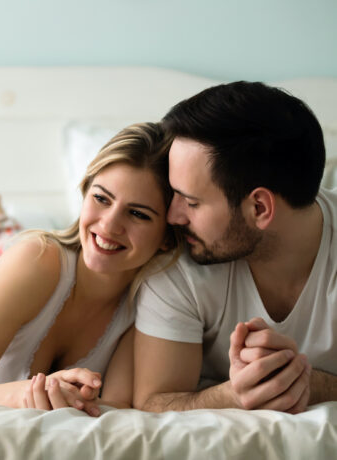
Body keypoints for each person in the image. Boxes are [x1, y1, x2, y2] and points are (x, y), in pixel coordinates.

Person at [0, 122, 180, 415]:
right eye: (101, 198)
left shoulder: (150, 303)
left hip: (27, 278)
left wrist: (65, 397)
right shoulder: (34, 260)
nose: (109, 225)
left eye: (137, 214)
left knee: (13, 254)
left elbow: (118, 404)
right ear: (85, 194)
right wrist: (26, 393)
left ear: (167, 236)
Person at [133, 81, 337, 414]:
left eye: (192, 201)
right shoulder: (175, 261)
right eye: (174, 194)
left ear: (259, 208)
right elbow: (152, 403)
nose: (172, 215)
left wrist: (308, 384)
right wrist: (231, 396)